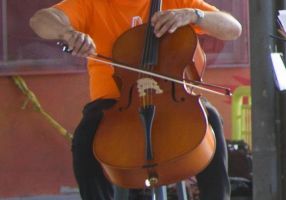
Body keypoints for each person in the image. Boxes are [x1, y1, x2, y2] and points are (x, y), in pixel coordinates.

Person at [29, 1, 242, 200]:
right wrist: (68, 33)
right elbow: (40, 20)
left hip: (172, 100)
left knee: (209, 120)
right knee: (85, 138)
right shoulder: (92, 3)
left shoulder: (175, 2)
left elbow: (233, 28)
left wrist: (195, 16)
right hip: (114, 102)